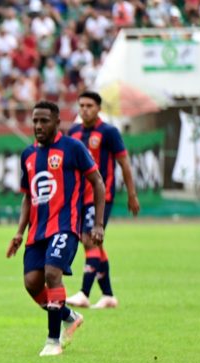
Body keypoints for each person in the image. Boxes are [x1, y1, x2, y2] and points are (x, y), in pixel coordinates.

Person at [6, 101, 106, 357]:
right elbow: (28, 196)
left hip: (65, 226)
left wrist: (97, 223)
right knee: (32, 284)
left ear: (57, 122)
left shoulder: (73, 148)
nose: (38, 126)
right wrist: (19, 232)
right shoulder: (27, 154)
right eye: (35, 121)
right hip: (37, 230)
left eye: (44, 121)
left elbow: (97, 182)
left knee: (52, 274)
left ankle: (53, 341)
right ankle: (69, 317)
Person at [66, 91, 140, 309]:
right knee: (93, 243)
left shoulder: (109, 132)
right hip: (79, 197)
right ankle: (108, 295)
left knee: (89, 240)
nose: (85, 109)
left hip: (101, 196)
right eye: (82, 105)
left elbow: (124, 163)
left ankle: (84, 292)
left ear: (98, 108)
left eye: (89, 105)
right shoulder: (74, 132)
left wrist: (131, 194)